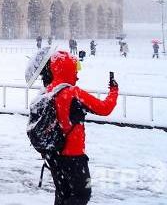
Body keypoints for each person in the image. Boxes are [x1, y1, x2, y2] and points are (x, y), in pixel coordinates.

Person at [45, 51, 118, 205]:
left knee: (63, 193)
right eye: (75, 68)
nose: (77, 74)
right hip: (73, 155)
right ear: (67, 69)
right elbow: (104, 108)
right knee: (82, 194)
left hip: (53, 153)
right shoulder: (73, 93)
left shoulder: (49, 91)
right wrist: (114, 91)